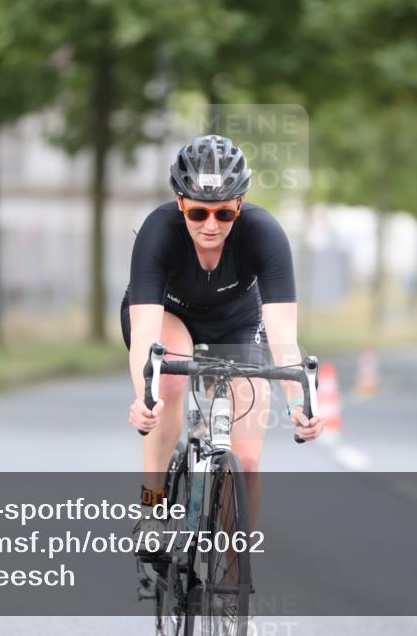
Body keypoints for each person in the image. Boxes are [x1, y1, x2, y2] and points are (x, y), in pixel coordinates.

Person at [122, 134, 324, 545]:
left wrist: (300, 404)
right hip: (169, 315)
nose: (210, 225)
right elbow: (146, 331)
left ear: (240, 206)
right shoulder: (158, 232)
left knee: (247, 462)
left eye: (224, 214)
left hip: (237, 322)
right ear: (180, 204)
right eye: (197, 213)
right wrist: (145, 396)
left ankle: (234, 585)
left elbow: (283, 336)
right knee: (171, 380)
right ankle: (154, 505)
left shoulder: (265, 234)